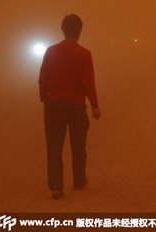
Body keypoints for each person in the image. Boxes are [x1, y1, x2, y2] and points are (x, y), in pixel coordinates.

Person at [39, 14, 101, 199]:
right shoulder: (84, 54)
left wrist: (46, 100)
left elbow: (43, 79)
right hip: (76, 106)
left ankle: (56, 186)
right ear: (79, 32)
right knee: (78, 145)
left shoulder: (51, 51)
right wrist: (95, 105)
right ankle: (79, 180)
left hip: (54, 105)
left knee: (54, 146)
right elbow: (88, 82)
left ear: (62, 30)